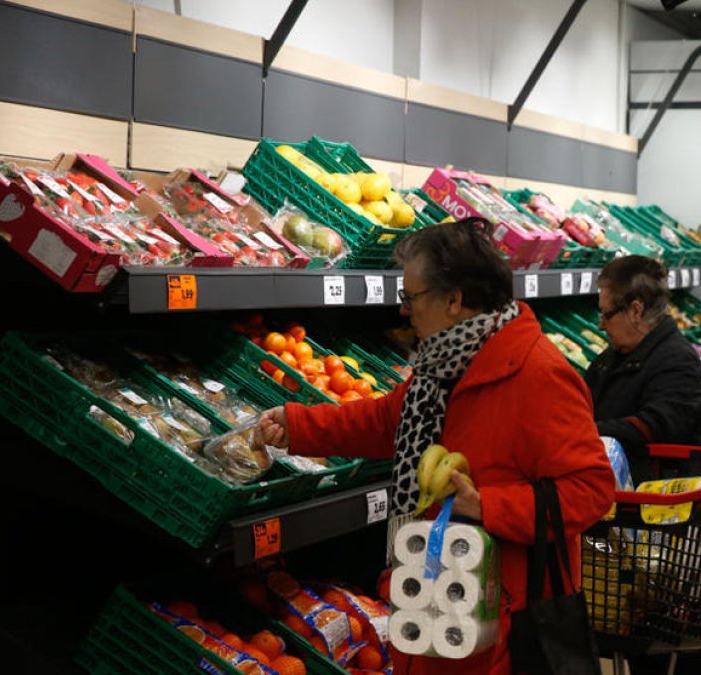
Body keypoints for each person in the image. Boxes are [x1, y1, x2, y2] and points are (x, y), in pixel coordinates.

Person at [256, 218, 615, 675]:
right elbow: (386, 421)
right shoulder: (442, 367)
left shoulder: (539, 376)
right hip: (434, 597)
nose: (403, 310)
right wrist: (297, 424)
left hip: (499, 624)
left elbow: (591, 490)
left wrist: (488, 506)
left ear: (454, 301)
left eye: (411, 297)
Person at [583, 255, 701, 675]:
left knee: (666, 644)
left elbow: (656, 425)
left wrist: (588, 433)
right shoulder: (613, 358)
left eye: (606, 313)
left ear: (635, 310)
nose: (600, 324)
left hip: (666, 527)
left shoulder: (675, 361)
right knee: (642, 643)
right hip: (630, 522)